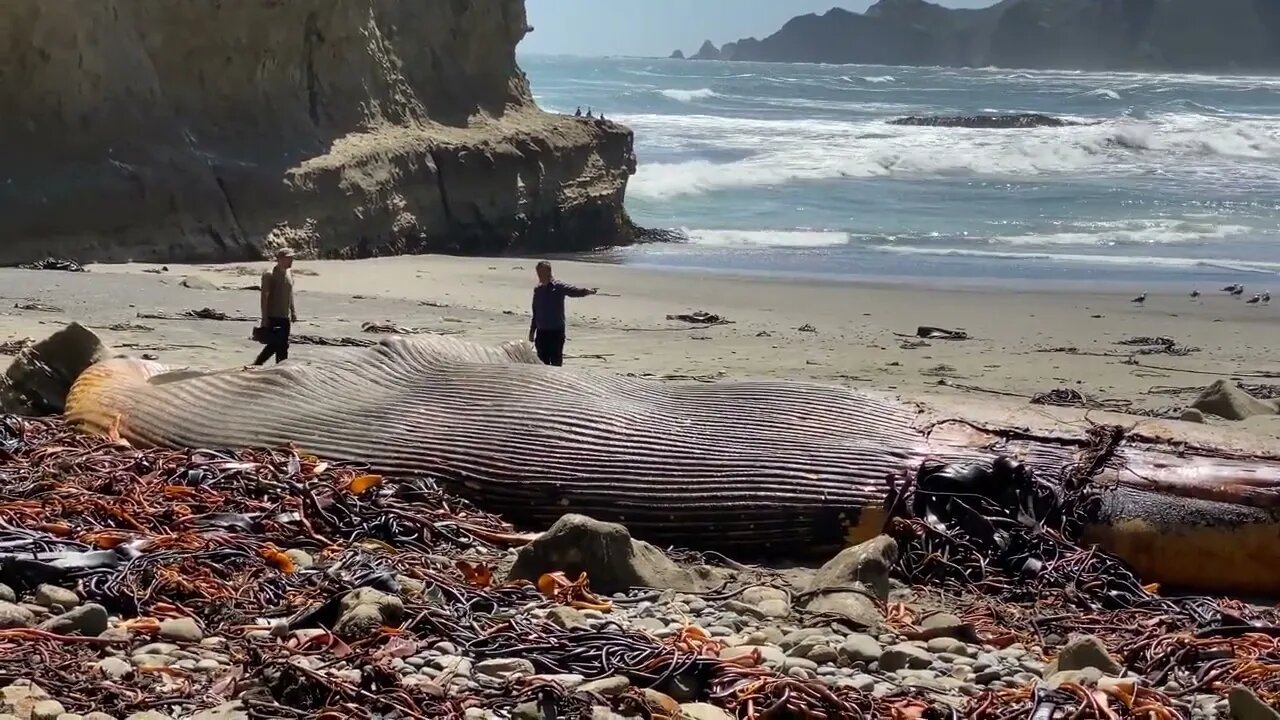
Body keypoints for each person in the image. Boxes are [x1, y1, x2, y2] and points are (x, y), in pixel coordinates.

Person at [528, 261, 597, 366]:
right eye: (538, 272)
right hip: (541, 332)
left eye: (541, 272)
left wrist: (586, 291)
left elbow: (574, 291)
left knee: (556, 361)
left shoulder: (558, 287)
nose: (539, 275)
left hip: (556, 331)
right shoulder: (538, 290)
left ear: (549, 272)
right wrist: (532, 331)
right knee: (542, 363)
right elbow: (535, 312)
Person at [254, 248, 298, 365]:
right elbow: (264, 297)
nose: (291, 260)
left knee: (281, 345)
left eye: (292, 258)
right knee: (277, 344)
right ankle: (262, 364)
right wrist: (264, 318)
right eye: (289, 258)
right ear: (280, 259)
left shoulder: (289, 274)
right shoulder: (269, 275)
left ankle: (277, 366)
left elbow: (289, 293)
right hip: (273, 316)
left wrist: (293, 311)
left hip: (285, 317)